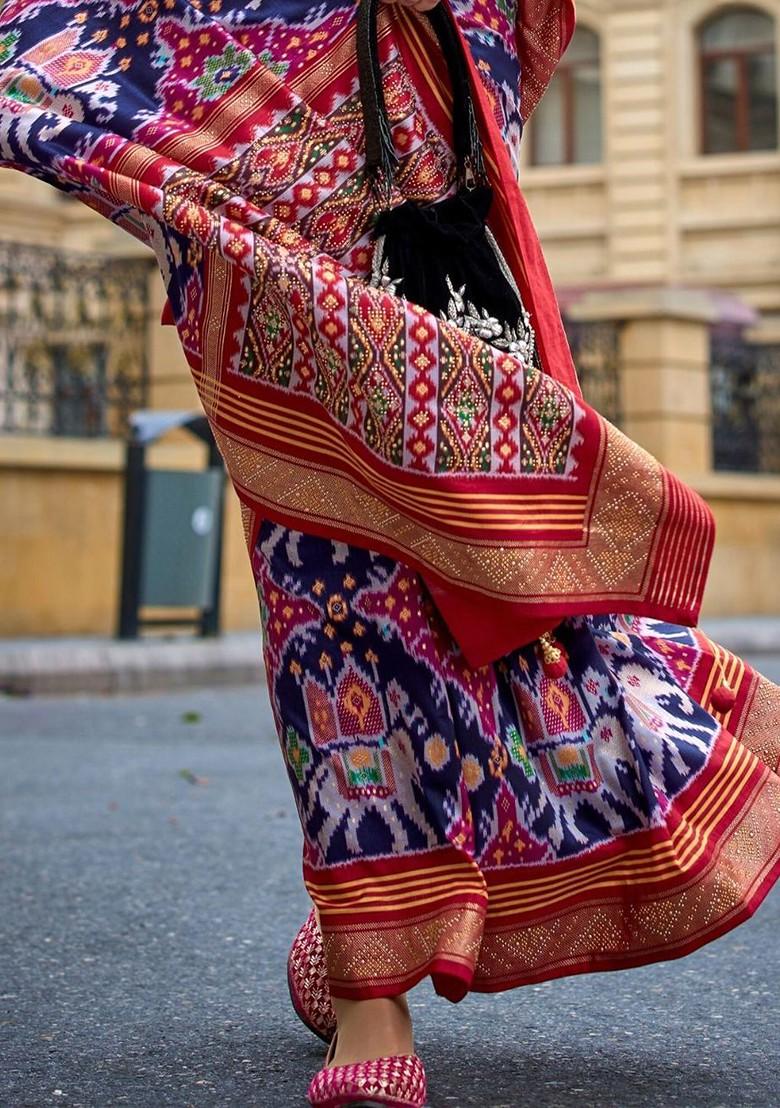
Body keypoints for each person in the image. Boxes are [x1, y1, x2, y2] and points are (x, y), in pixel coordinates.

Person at [1, 2, 778, 1105]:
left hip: (434, 288)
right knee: (337, 622)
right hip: (286, 295)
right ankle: (372, 989)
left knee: (511, 615)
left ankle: (355, 924)